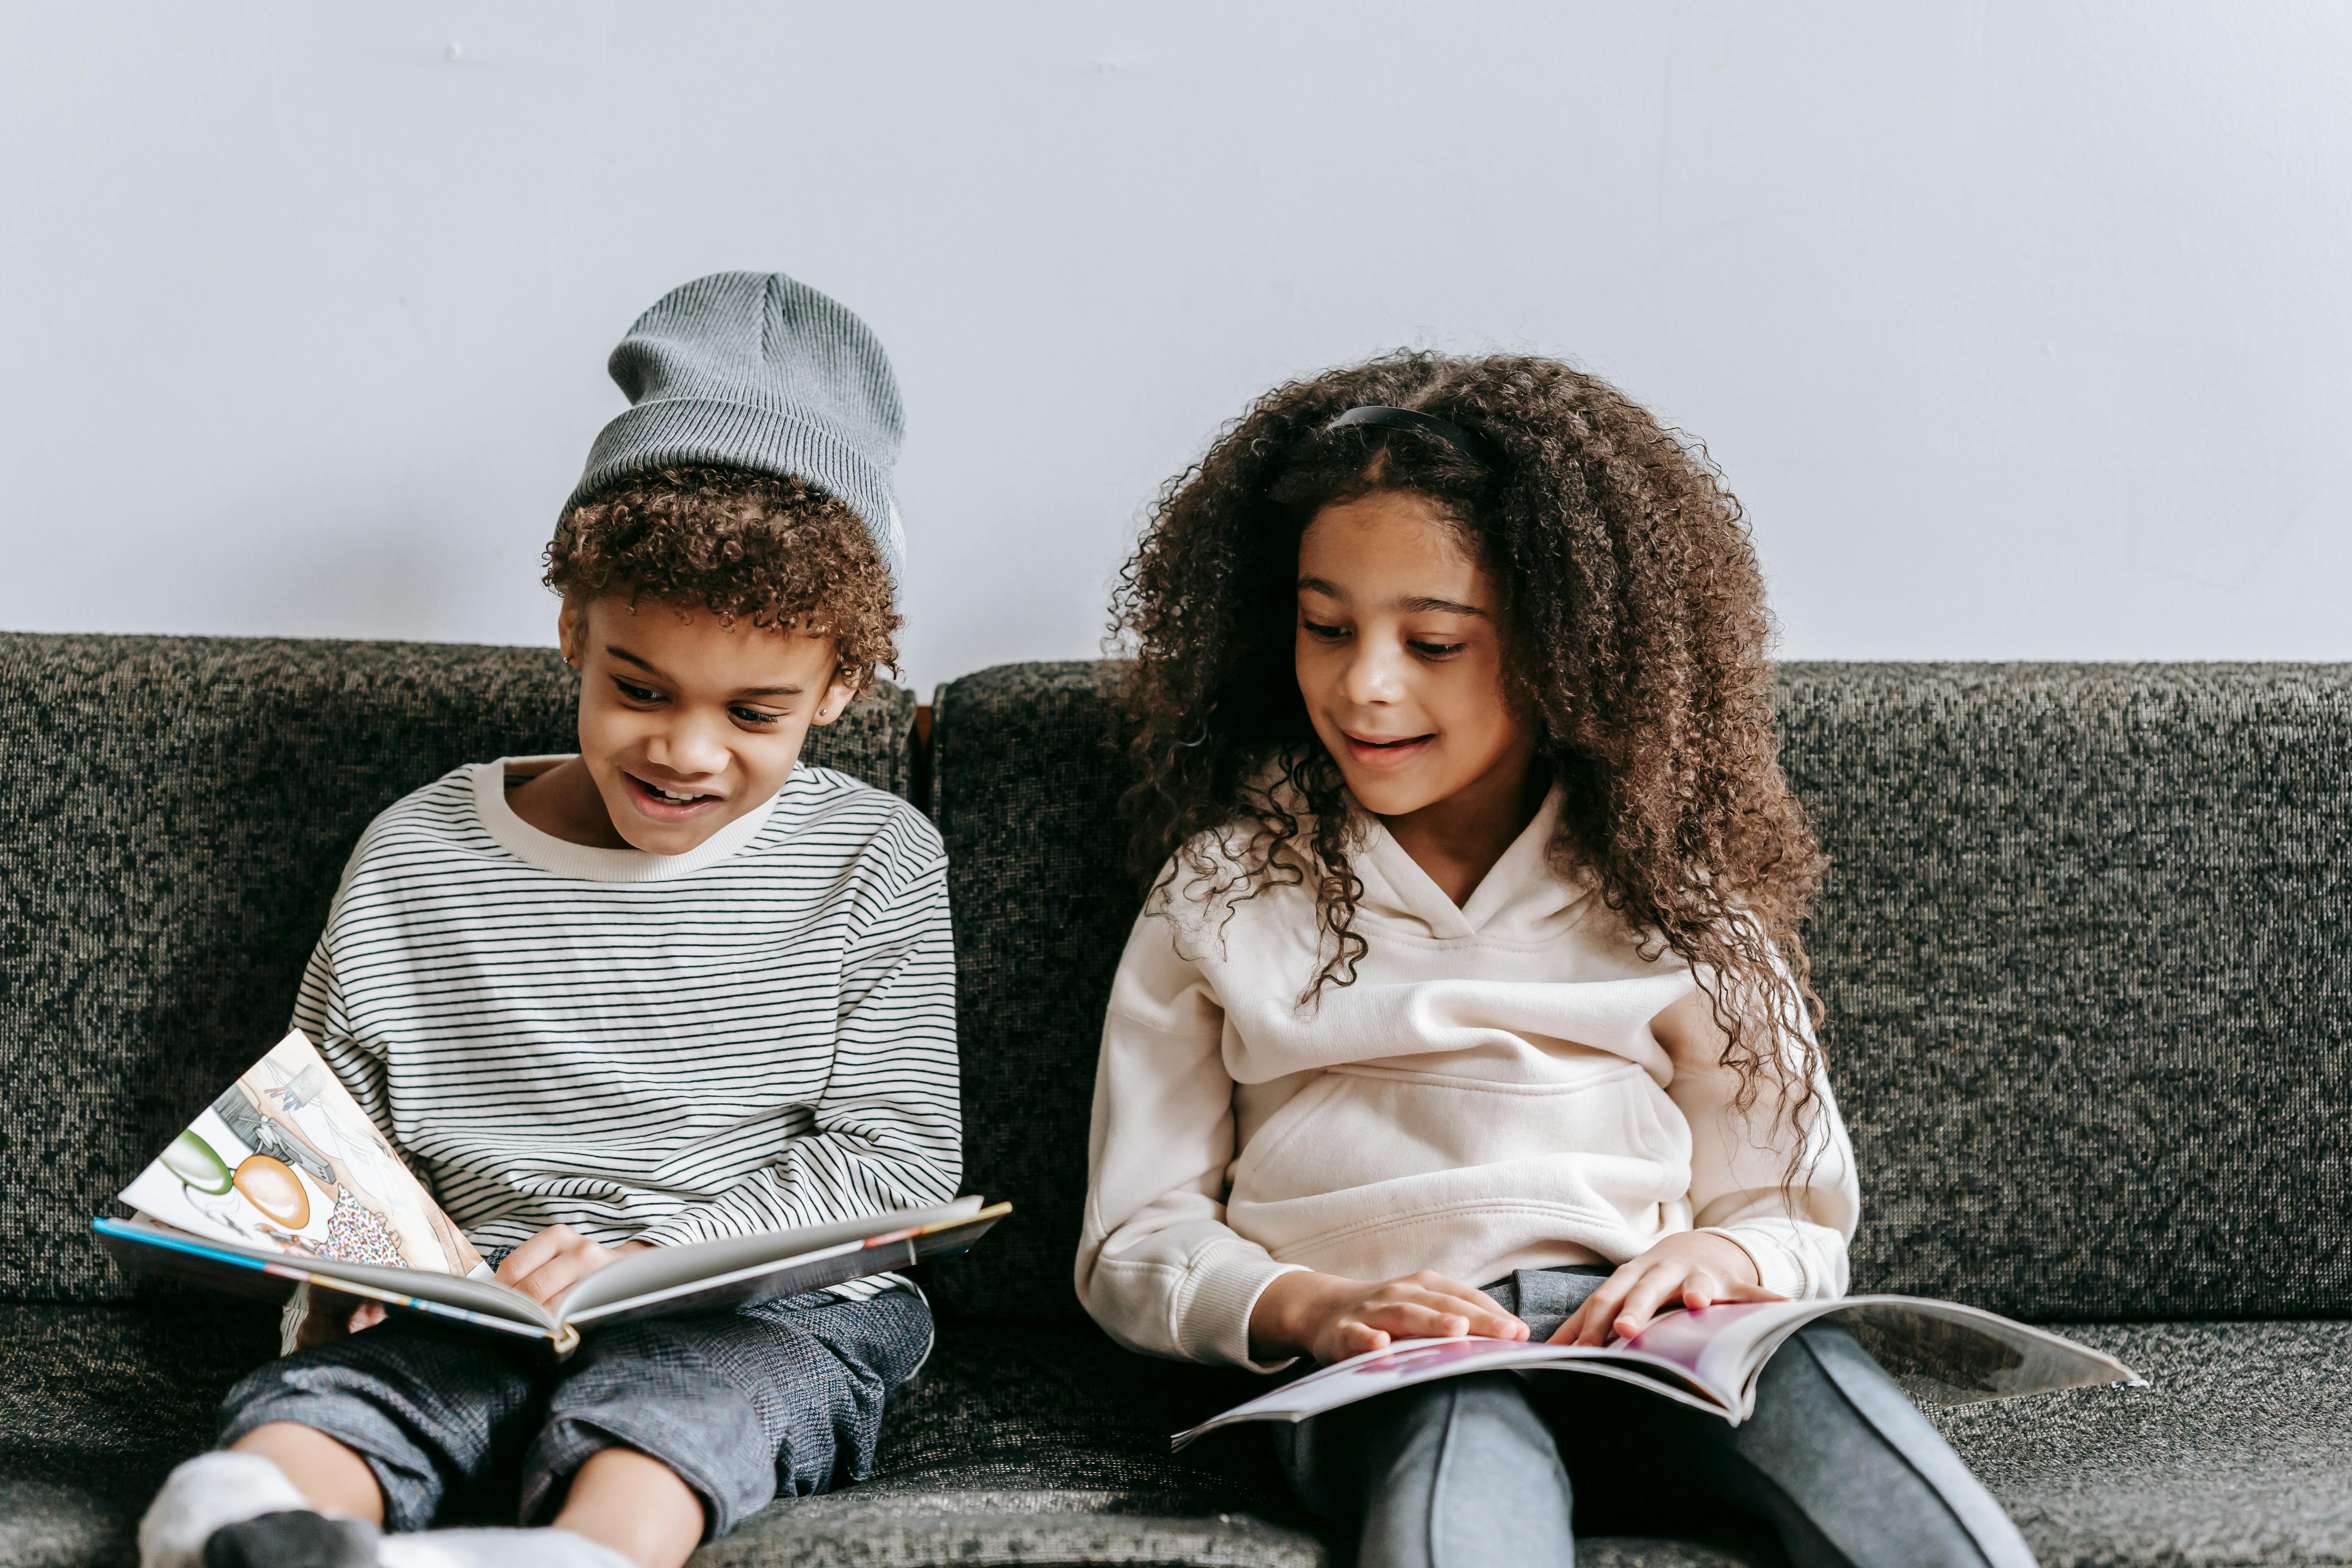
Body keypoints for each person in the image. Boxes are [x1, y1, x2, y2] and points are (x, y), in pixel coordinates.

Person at [1077, 352, 2036, 1567]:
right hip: (1399, 1365)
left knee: (1831, 1398)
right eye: (1327, 628)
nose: (1365, 685)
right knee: (1461, 1435)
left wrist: (1722, 1256)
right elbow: (1137, 1235)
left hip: (1659, 1344)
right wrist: (1310, 1309)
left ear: (1569, 655)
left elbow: (1792, 1203)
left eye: (1434, 642)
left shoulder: (1674, 895)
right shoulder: (1223, 891)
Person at [138, 272, 960, 1568]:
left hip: (761, 1302)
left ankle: (578, 1557)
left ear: (842, 686)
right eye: (642, 688)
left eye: (756, 714)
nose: (687, 753)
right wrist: (344, 1271)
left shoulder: (875, 857)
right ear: (573, 628)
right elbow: (329, 1130)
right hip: (475, 1287)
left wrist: (652, 1253)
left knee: (687, 1413)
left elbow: (896, 1165)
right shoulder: (421, 848)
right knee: (355, 1400)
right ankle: (250, 1521)